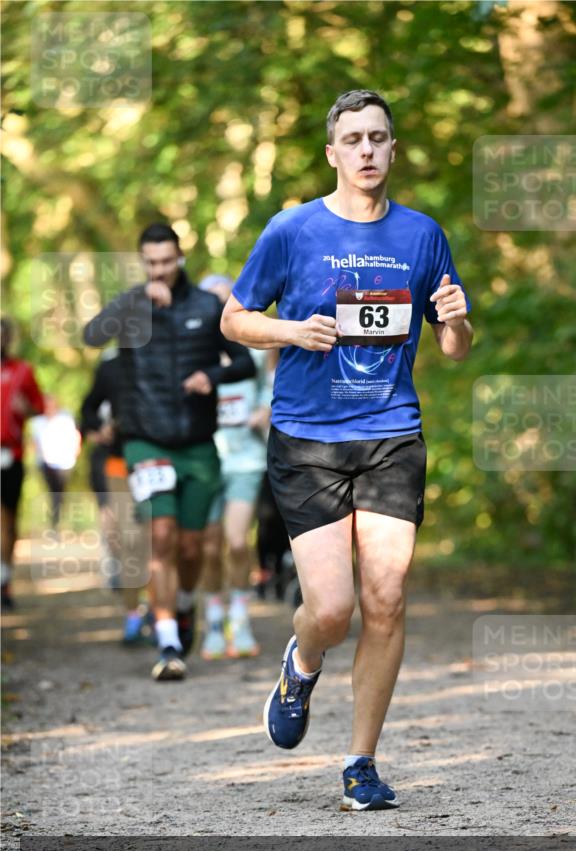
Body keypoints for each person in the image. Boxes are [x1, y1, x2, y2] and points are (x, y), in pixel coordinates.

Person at [222, 90, 472, 810]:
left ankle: (361, 763)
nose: (367, 150)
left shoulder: (422, 235)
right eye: (354, 139)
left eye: (378, 138)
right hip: (308, 439)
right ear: (332, 153)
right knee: (331, 611)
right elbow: (235, 319)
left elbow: (453, 347)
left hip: (391, 433)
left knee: (385, 597)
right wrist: (291, 332)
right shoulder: (292, 230)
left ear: (393, 149)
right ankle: (302, 663)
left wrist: (457, 321)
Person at [84, 223, 255, 681]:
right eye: (151, 263)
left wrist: (211, 377)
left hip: (198, 445)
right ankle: (167, 642)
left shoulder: (207, 306)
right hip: (146, 441)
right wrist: (133, 300)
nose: (159, 270)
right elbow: (91, 335)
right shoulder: (130, 307)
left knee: (192, 547)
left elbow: (244, 362)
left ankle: (182, 606)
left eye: (166, 261)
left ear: (180, 258)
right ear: (143, 263)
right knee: (161, 535)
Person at [197, 275, 273, 660]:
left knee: (238, 540)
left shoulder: (253, 349)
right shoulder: (194, 352)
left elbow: (272, 385)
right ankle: (214, 621)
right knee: (209, 548)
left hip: (246, 457)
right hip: (206, 456)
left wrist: (264, 409)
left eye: (224, 300)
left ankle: (240, 621)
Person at [80, 348, 152, 644]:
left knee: (158, 541)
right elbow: (87, 409)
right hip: (119, 464)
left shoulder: (165, 357)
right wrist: (98, 429)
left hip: (160, 460)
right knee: (130, 540)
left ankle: (164, 613)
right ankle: (133, 614)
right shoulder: (110, 366)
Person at [1, 316, 45, 609]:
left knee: (8, 518)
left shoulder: (22, 371)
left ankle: (4, 579)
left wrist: (25, 408)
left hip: (10, 455)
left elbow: (39, 408)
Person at [31, 396, 81, 530]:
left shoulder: (65, 417)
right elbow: (35, 442)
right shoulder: (38, 421)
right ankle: (55, 523)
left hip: (65, 462)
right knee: (54, 492)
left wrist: (75, 450)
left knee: (60, 493)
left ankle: (57, 522)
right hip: (46, 463)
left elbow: (75, 435)